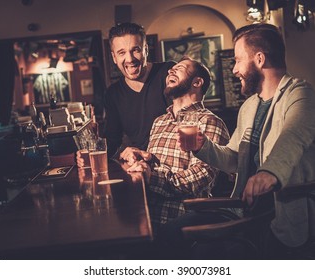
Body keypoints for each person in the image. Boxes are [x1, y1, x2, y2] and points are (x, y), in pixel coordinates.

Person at [172, 23, 315, 259]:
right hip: (242, 210)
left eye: (238, 60)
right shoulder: (250, 106)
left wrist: (268, 173)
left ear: (259, 59)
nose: (234, 69)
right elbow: (233, 161)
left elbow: (294, 137)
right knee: (169, 234)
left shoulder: (301, 94)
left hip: (281, 216)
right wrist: (203, 147)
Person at [120, 56, 230, 235]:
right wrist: (139, 158)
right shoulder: (159, 122)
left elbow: (201, 176)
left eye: (180, 68)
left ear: (197, 82)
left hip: (181, 221)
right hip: (144, 215)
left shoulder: (208, 121)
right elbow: (155, 167)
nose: (170, 70)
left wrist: (152, 178)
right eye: (171, 69)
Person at [104, 22, 175, 158]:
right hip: (142, 166)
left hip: (177, 160)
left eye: (135, 50)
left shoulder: (168, 73)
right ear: (114, 57)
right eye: (122, 52)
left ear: (146, 50)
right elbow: (112, 141)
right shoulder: (113, 94)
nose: (130, 59)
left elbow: (190, 118)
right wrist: (86, 156)